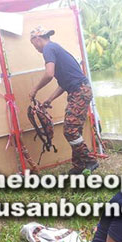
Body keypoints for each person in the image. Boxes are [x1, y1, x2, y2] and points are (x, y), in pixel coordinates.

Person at [28, 27, 99, 175]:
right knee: (74, 130)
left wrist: (35, 89)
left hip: (79, 91)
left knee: (70, 130)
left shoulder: (48, 48)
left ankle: (89, 160)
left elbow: (49, 74)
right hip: (78, 91)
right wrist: (49, 99)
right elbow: (63, 83)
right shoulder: (55, 48)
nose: (34, 47)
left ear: (37, 40)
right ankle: (79, 165)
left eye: (33, 44)